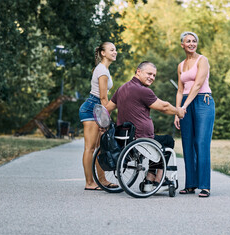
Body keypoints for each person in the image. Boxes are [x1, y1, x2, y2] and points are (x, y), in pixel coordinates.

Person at [106, 61, 185, 190]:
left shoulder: (122, 88)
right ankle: (156, 180)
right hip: (141, 139)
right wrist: (178, 111)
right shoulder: (142, 90)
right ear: (138, 71)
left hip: (125, 139)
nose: (152, 77)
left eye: (154, 75)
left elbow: (108, 108)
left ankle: (150, 179)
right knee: (168, 141)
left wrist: (106, 124)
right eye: (149, 73)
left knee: (158, 142)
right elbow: (164, 107)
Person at [174, 31, 215, 197]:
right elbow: (179, 90)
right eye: (188, 41)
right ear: (182, 45)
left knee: (201, 143)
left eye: (194, 41)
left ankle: (205, 185)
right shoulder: (181, 65)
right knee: (187, 143)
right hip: (185, 104)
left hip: (202, 102)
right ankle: (190, 184)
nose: (191, 43)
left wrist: (184, 106)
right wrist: (177, 112)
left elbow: (198, 85)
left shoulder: (202, 60)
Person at [79, 42, 118, 191]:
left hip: (96, 107)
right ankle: (89, 183)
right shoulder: (102, 70)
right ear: (103, 53)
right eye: (111, 50)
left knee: (99, 148)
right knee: (89, 148)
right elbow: (103, 98)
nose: (115, 52)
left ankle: (102, 180)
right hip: (91, 108)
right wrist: (105, 121)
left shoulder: (104, 69)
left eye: (115, 50)